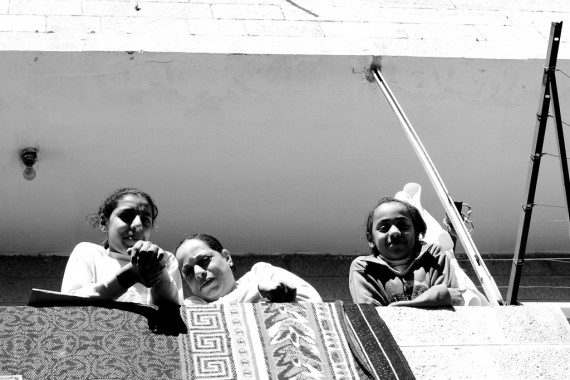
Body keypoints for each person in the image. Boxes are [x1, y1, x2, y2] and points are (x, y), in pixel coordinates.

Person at [61, 187, 183, 306]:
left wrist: (159, 272)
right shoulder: (88, 253)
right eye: (126, 216)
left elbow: (176, 313)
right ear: (104, 222)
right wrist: (129, 276)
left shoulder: (165, 259)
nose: (138, 225)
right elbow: (69, 306)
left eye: (145, 220)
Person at [349, 196, 464, 307]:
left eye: (403, 226)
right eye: (384, 228)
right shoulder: (364, 268)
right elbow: (372, 319)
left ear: (416, 231)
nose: (394, 232)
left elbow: (452, 306)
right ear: (371, 239)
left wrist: (393, 307)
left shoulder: (434, 255)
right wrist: (438, 295)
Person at [175, 234, 322, 304]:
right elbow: (204, 320)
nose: (198, 273)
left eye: (204, 260)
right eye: (188, 272)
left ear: (227, 257)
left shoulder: (262, 272)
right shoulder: (191, 306)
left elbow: (312, 301)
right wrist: (256, 291)